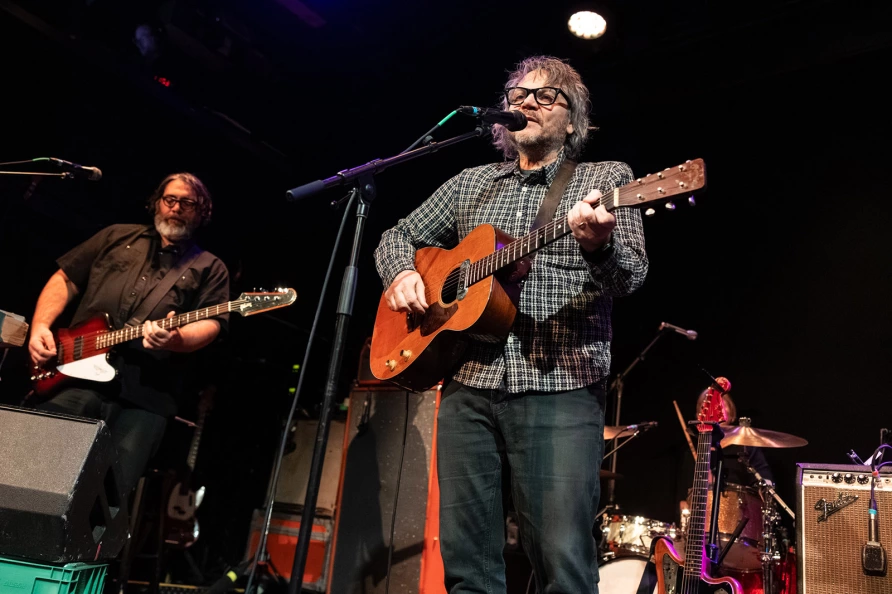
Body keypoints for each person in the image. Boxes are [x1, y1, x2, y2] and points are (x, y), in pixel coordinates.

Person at [373, 56, 647, 593]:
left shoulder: (604, 180)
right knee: (466, 562)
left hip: (559, 386)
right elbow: (395, 235)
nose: (526, 102)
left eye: (546, 96)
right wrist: (402, 273)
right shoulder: (469, 184)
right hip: (467, 386)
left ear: (573, 121)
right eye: (518, 93)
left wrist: (598, 244)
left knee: (562, 560)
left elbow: (631, 275)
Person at [27, 172, 230, 498]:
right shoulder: (116, 236)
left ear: (201, 211)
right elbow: (65, 279)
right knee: (35, 472)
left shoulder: (209, 267)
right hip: (73, 380)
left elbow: (213, 323)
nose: (176, 208)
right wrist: (39, 327)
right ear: (157, 203)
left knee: (104, 499)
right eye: (170, 199)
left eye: (187, 203)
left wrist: (176, 339)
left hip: (145, 399)